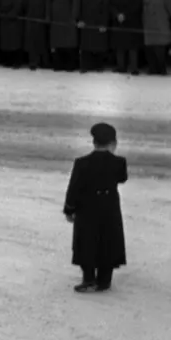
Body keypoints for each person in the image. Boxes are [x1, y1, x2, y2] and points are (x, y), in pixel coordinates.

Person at [63, 122, 128, 293]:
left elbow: (74, 188)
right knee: (109, 241)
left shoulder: (81, 163)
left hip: (87, 208)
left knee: (87, 242)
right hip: (109, 207)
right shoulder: (119, 162)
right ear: (113, 143)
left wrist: (69, 209)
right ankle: (104, 280)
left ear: (94, 142)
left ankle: (89, 278)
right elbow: (122, 179)